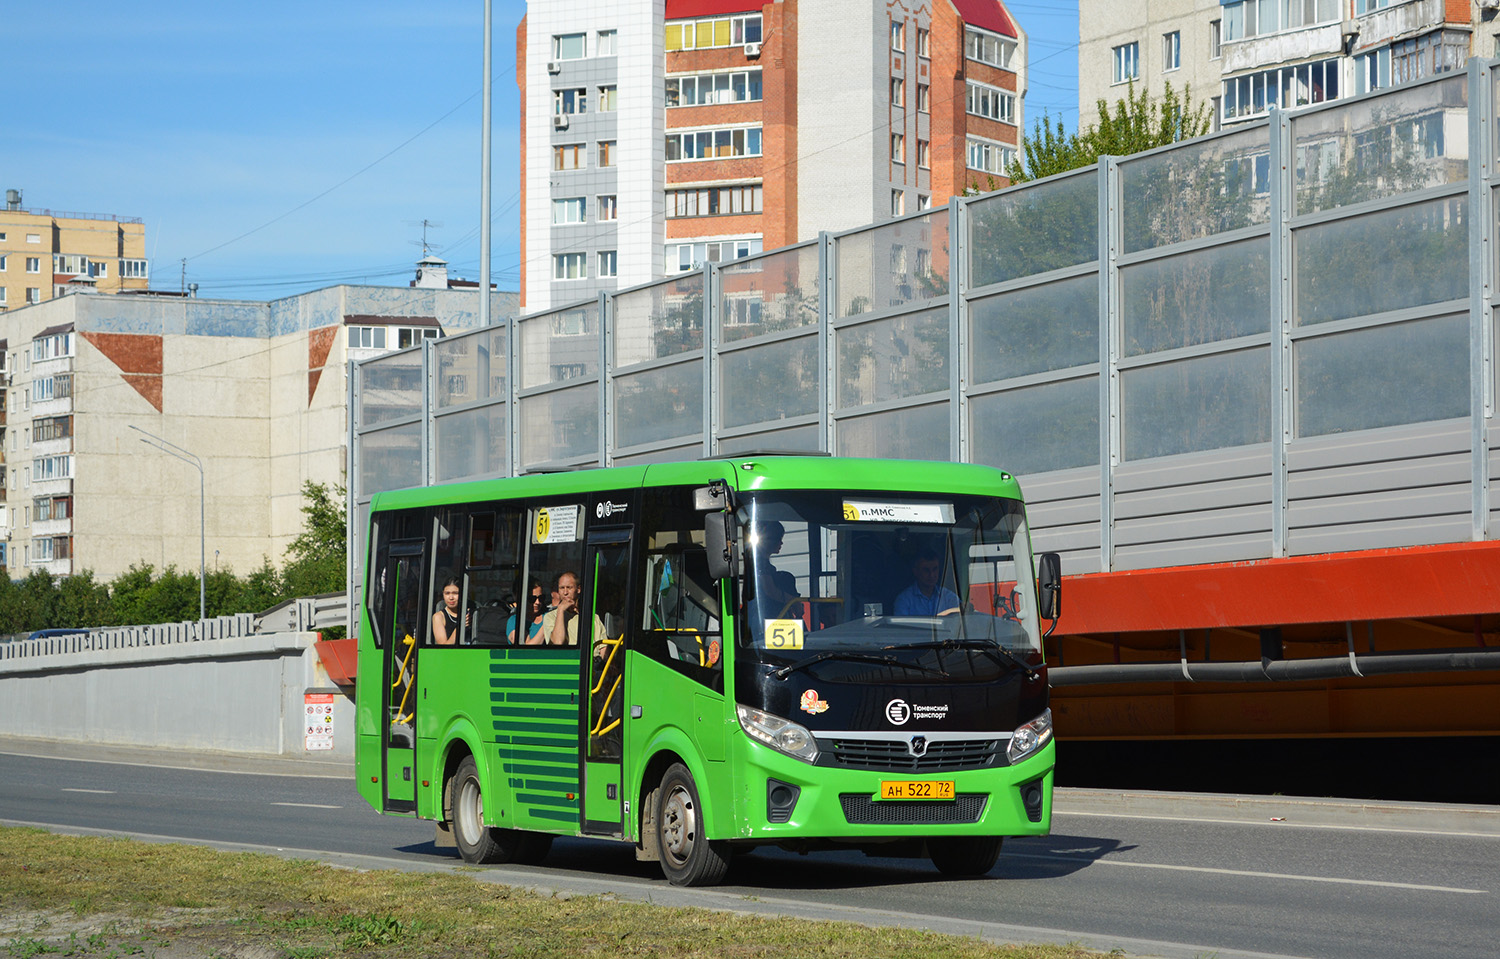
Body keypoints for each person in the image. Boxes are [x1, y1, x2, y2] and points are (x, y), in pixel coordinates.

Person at [539, 571, 606, 654]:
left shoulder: (592, 617)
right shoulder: (550, 617)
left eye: (569, 588)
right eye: (562, 588)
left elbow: (603, 647)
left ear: (578, 589)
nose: (565, 592)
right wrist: (560, 611)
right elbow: (558, 643)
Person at [893, 549, 962, 616]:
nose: (931, 575)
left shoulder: (949, 597)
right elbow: (902, 627)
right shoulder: (904, 600)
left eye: (935, 569)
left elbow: (961, 619)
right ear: (915, 571)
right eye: (926, 570)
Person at [507, 578, 546, 644]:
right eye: (532, 599)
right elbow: (525, 647)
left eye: (541, 598)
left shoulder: (549, 616)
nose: (537, 602)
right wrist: (546, 625)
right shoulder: (515, 620)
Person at [432, 577, 468, 645]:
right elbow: (443, 648)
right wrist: (460, 627)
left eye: (455, 593)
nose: (451, 598)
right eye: (447, 593)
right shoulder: (438, 617)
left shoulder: (470, 613)